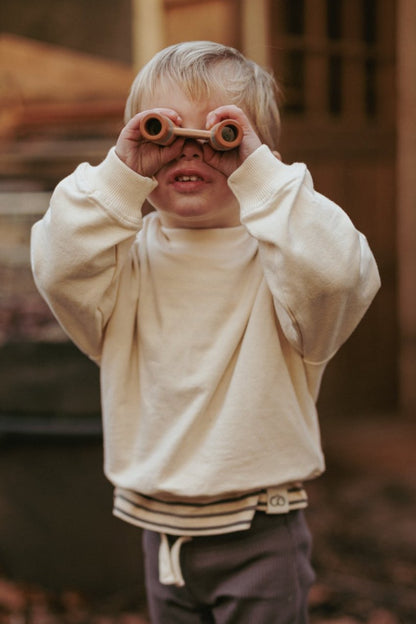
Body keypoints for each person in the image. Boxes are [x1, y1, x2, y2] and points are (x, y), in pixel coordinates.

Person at [31, 41, 380, 623]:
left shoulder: (285, 266)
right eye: (162, 132)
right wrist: (120, 175)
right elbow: (58, 261)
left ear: (255, 154)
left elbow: (341, 274)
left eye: (219, 134)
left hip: (260, 532)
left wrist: (260, 176)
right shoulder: (121, 265)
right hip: (159, 536)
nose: (187, 149)